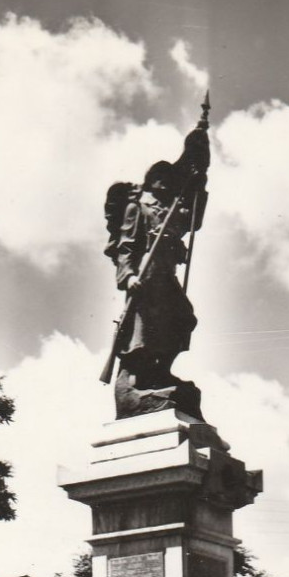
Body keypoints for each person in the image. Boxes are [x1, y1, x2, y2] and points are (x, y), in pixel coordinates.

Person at [105, 112, 210, 419]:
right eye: (160, 179)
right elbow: (125, 245)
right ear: (153, 180)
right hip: (146, 281)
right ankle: (138, 382)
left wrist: (200, 177)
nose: (165, 184)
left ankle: (161, 373)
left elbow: (195, 220)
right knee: (144, 335)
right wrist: (128, 276)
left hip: (166, 278)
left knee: (182, 321)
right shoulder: (138, 207)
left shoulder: (172, 210)